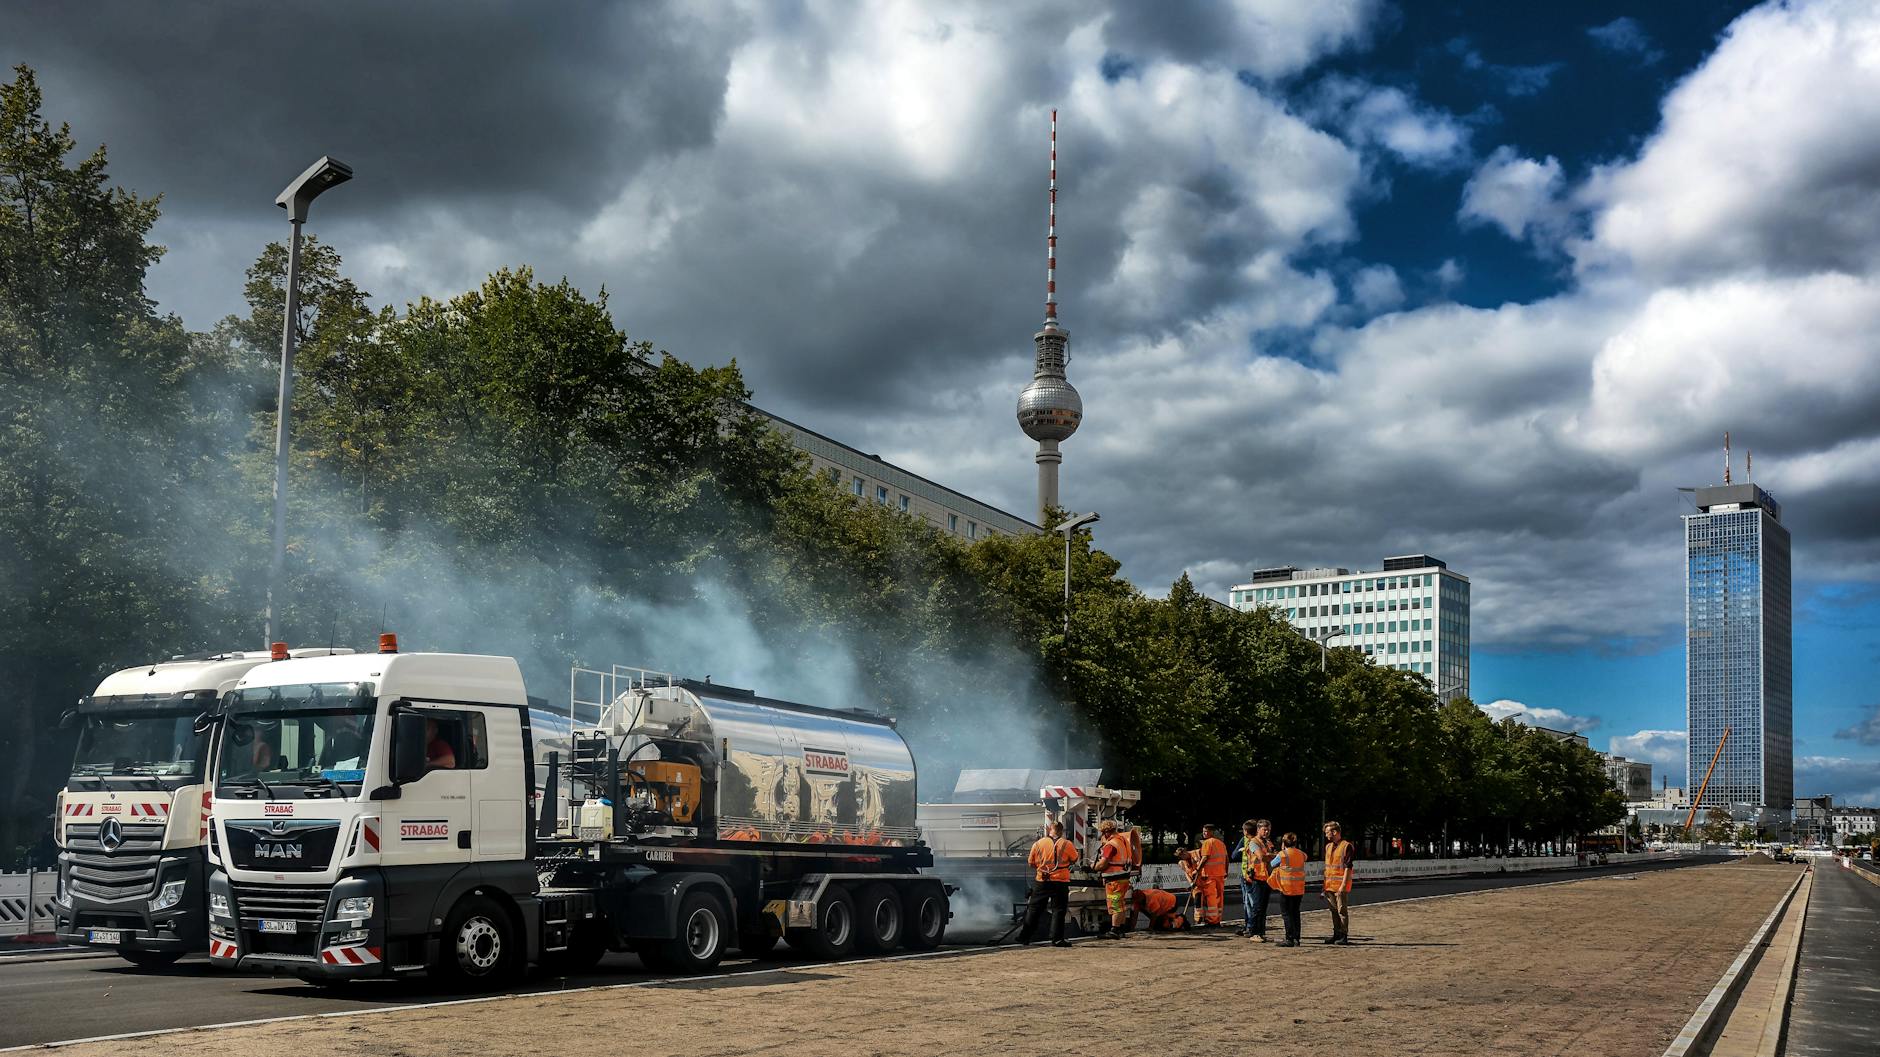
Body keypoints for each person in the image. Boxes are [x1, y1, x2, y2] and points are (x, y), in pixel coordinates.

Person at [1018, 821, 1078, 947]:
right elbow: (1074, 858)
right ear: (1062, 831)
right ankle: (1057, 939)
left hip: (1042, 880)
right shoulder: (1067, 844)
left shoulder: (1038, 844)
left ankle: (1024, 937)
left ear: (1049, 829)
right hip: (1060, 881)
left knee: (1034, 909)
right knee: (1058, 910)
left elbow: (1031, 863)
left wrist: (1042, 867)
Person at [1232, 819, 1274, 940]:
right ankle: (1254, 932)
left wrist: (1271, 856)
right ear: (1258, 830)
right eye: (1264, 829)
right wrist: (1273, 856)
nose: (1266, 832)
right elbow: (1262, 857)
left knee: (1263, 907)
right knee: (1256, 906)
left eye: (1268, 830)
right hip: (1256, 878)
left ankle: (1261, 932)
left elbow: (1272, 856)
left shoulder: (1267, 842)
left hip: (1266, 878)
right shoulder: (1253, 842)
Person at [1091, 819, 1133, 940]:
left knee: (1115, 904)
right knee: (1121, 904)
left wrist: (1092, 867)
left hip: (1114, 880)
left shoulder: (1111, 845)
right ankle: (1120, 929)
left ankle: (1114, 930)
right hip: (1124, 877)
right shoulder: (1122, 840)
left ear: (1106, 832)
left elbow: (1103, 864)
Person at [1267, 831, 1308, 947]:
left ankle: (1289, 938)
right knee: (1296, 912)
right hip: (1299, 888)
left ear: (1283, 843)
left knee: (1286, 914)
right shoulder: (1301, 854)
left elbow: (1272, 864)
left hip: (1286, 888)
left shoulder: (1282, 854)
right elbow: (1305, 857)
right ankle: (1296, 938)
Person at [1321, 821, 1354, 945]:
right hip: (1329, 885)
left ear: (1334, 832)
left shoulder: (1346, 846)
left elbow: (1348, 867)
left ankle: (1344, 935)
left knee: (1342, 911)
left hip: (1340, 886)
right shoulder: (1328, 846)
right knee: (1333, 911)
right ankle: (1336, 934)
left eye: (1327, 832)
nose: (1326, 835)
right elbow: (1327, 868)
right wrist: (1324, 887)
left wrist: (1343, 885)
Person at [1194, 824, 1229, 927]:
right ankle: (1217, 918)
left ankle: (1212, 920)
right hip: (1221, 874)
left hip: (1210, 874)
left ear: (1211, 832)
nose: (1204, 833)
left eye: (1205, 831)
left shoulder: (1207, 843)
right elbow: (1226, 859)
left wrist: (1197, 870)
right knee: (1219, 897)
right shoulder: (1221, 844)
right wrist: (1226, 871)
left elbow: (1205, 858)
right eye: (1203, 831)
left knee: (1211, 897)